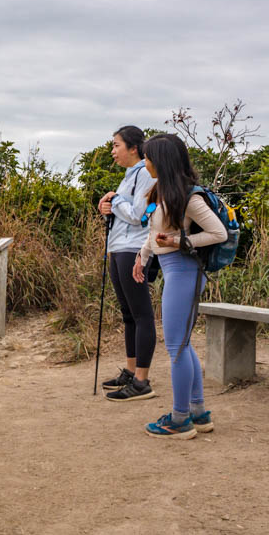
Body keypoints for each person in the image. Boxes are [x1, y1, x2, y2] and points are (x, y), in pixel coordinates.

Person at [132, 133, 227, 438]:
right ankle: (197, 414)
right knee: (181, 345)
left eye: (148, 157)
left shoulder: (189, 196)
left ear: (162, 160)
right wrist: (143, 256)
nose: (145, 162)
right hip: (175, 271)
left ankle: (180, 419)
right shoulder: (166, 192)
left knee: (176, 347)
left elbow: (218, 233)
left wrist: (178, 241)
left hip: (185, 271)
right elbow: (155, 232)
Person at [96, 126, 157, 401]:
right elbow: (122, 213)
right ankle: (131, 372)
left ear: (133, 148)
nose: (113, 151)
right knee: (128, 313)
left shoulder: (144, 173)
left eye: (116, 145)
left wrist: (116, 199)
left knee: (141, 313)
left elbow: (138, 216)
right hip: (119, 248)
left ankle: (142, 382)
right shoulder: (128, 176)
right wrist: (106, 207)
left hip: (134, 250)